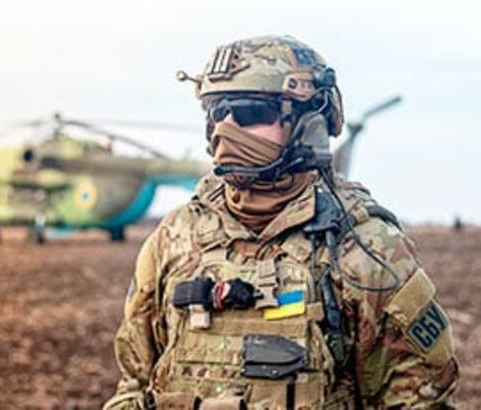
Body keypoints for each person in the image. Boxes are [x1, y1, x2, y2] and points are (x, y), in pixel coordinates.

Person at [104, 35, 458, 409]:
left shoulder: (366, 249)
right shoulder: (175, 237)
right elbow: (134, 384)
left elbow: (421, 399)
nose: (225, 129)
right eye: (217, 112)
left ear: (308, 123)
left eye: (251, 113)